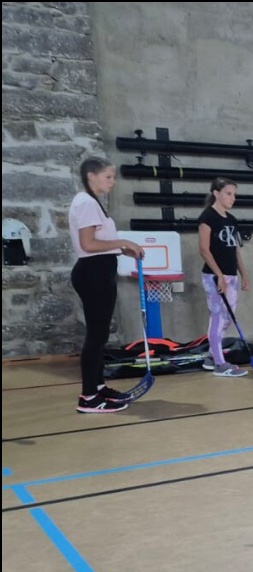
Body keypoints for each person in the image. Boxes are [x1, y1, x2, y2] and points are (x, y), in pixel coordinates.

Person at [68, 157, 145, 414]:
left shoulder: (92, 202)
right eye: (108, 177)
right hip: (93, 273)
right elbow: (88, 244)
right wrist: (122, 242)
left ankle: (98, 387)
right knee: (96, 335)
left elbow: (100, 243)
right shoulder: (86, 203)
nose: (113, 182)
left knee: (100, 335)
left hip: (99, 270)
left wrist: (121, 250)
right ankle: (88, 397)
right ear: (91, 176)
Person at [197, 177, 249, 378]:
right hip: (214, 276)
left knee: (227, 319)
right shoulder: (207, 217)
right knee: (217, 318)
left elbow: (234, 250)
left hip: (230, 275)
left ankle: (212, 357)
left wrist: (243, 274)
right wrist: (218, 275)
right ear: (216, 193)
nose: (232, 198)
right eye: (228, 193)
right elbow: (204, 249)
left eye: (234, 194)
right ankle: (220, 364)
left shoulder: (231, 219)